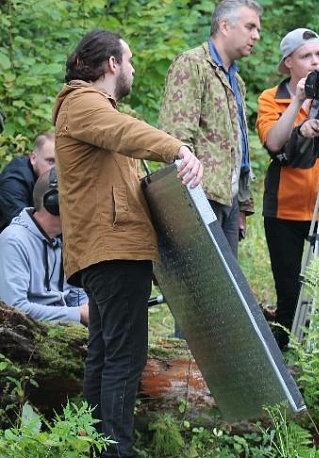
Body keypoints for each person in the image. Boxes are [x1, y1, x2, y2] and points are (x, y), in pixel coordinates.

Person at [53, 29, 203, 457]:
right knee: (123, 357)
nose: (133, 68)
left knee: (104, 355)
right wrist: (178, 149)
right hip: (113, 250)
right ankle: (115, 449)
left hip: (111, 249)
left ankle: (95, 446)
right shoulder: (84, 103)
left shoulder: (91, 110)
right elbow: (126, 132)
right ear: (111, 64)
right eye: (130, 60)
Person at [159, 0, 262, 258]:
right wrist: (185, 206)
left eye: (257, 29)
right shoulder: (192, 64)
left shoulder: (236, 80)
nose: (256, 36)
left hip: (229, 201)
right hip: (199, 198)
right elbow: (176, 138)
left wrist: (242, 205)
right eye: (250, 27)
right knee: (204, 291)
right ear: (225, 26)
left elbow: (240, 149)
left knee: (229, 293)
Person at [255, 28, 319, 350]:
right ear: (288, 62)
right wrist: (299, 101)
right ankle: (285, 363)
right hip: (284, 211)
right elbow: (274, 141)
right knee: (288, 294)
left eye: (318, 54)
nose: (315, 62)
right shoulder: (271, 98)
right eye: (306, 56)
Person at [0, 168, 89, 325]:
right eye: (75, 199)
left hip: (63, 330)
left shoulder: (65, 239)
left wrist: (91, 308)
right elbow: (13, 308)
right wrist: (78, 314)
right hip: (27, 334)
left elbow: (74, 294)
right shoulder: (14, 240)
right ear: (53, 203)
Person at [0, 132, 56, 232]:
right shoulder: (13, 181)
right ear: (33, 158)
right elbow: (24, 225)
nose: (56, 169)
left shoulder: (57, 178)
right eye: (50, 161)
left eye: (60, 163)